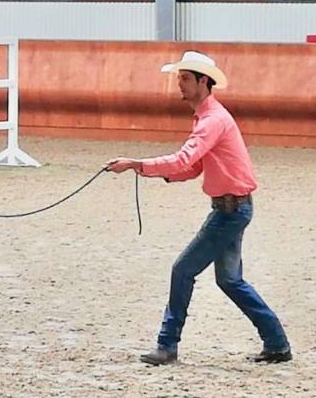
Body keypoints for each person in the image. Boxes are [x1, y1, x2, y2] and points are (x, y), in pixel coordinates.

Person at [106, 51, 292, 365]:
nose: (179, 84)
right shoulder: (210, 118)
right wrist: (145, 170)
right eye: (179, 78)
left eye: (185, 78)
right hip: (233, 208)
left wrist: (137, 164)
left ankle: (167, 345)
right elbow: (192, 168)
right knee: (230, 281)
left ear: (203, 82)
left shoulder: (212, 121)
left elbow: (184, 161)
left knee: (183, 270)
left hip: (229, 211)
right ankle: (277, 343)